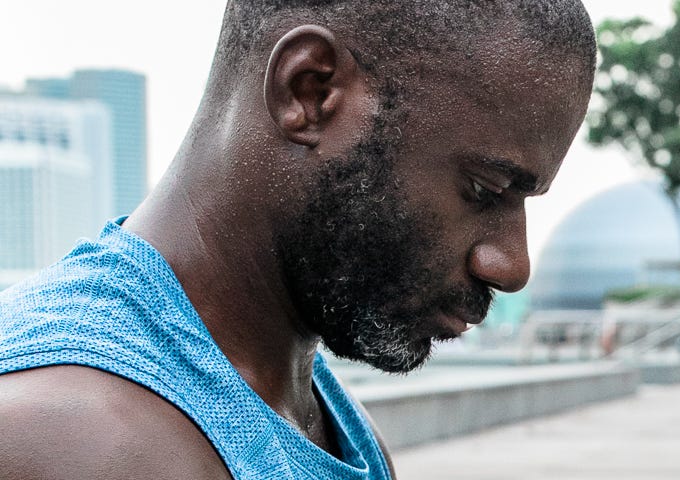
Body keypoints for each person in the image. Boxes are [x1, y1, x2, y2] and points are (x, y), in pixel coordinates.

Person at [0, 0, 596, 478]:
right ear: (308, 92)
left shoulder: (329, 423)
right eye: (483, 189)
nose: (511, 265)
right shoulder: (83, 443)